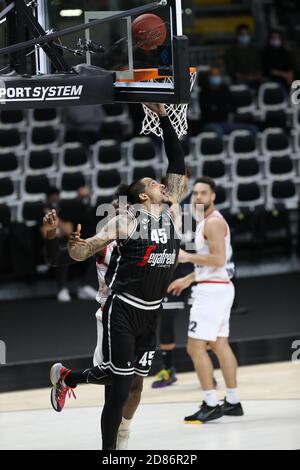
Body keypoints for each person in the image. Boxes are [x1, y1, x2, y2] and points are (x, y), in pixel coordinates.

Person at [49, 103, 186, 450]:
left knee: (129, 381)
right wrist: (74, 244)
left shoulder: (171, 213)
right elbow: (80, 254)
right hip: (121, 308)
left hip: (151, 311)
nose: (162, 184)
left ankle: (68, 376)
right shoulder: (124, 221)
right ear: (142, 196)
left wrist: (166, 119)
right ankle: (111, 451)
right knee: (120, 387)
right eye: (155, 184)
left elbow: (177, 163)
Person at [168, 177, 244, 423]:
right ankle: (233, 401)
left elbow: (218, 259)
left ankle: (211, 404)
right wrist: (189, 279)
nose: (198, 197)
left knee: (195, 347)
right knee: (220, 344)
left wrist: (186, 257)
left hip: (212, 292)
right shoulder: (208, 222)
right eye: (195, 193)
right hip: (219, 287)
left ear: (213, 196)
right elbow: (215, 263)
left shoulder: (212, 223)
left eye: (203, 193)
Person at [199, 65, 258, 137]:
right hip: (210, 124)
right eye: (214, 75)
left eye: (218, 75)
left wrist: (219, 108)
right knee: (218, 131)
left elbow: (233, 107)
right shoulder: (204, 92)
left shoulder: (224, 90)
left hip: (226, 123)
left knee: (252, 128)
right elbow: (207, 112)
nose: (216, 77)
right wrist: (221, 109)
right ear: (209, 77)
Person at [225, 24, 263, 88]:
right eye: (242, 34)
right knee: (241, 85)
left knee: (266, 84)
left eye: (247, 34)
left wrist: (257, 76)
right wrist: (246, 77)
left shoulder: (254, 50)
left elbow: (260, 66)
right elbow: (231, 70)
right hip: (241, 79)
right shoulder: (231, 51)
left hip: (256, 78)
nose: (245, 36)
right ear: (237, 36)